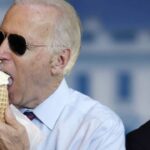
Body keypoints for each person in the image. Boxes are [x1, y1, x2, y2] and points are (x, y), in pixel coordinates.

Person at [0, 0, 125, 149]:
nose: (1, 52)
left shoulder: (99, 129)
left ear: (59, 61)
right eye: (1, 38)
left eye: (18, 44)